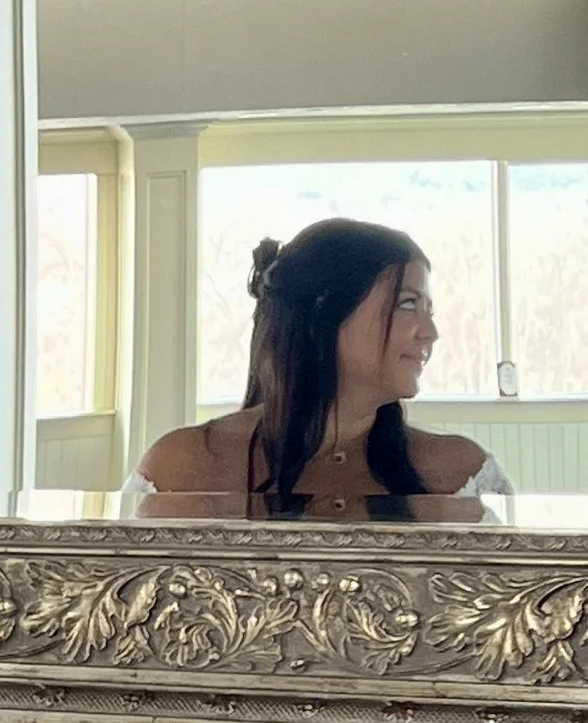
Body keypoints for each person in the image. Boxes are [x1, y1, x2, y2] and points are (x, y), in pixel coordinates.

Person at [126, 216, 514, 519]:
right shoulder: (179, 468)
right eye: (407, 304)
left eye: (429, 310)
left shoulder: (462, 473)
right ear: (324, 315)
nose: (430, 333)